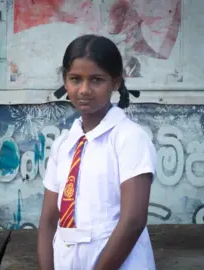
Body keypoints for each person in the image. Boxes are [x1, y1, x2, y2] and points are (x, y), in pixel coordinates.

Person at [37, 34, 156, 270]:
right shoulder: (63, 144)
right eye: (75, 79)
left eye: (96, 80)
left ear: (115, 82)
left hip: (117, 262)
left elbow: (133, 221)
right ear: (65, 80)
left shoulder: (129, 138)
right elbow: (49, 220)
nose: (84, 90)